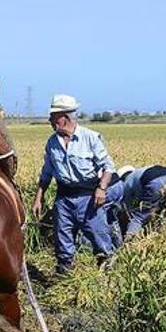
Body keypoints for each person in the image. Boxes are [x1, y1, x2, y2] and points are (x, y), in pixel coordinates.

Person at [31, 94, 116, 275]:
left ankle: (106, 276)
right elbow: (46, 173)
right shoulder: (52, 142)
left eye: (53, 116)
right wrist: (39, 198)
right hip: (63, 199)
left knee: (100, 238)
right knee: (63, 241)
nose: (50, 120)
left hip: (89, 197)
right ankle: (64, 276)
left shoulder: (90, 138)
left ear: (65, 117)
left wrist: (101, 189)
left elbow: (108, 166)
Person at [116, 164, 166, 240]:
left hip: (155, 183)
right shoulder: (140, 172)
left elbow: (126, 207)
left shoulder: (127, 181)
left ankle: (129, 241)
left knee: (138, 217)